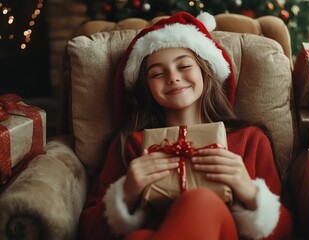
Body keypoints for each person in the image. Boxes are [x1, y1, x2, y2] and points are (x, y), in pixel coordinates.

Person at [79, 12, 293, 240]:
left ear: (205, 70)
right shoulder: (130, 144)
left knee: (200, 201)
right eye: (158, 73)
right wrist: (127, 192)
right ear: (146, 88)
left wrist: (249, 192)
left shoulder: (250, 139)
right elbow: (88, 231)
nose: (172, 77)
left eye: (184, 66)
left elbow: (286, 231)